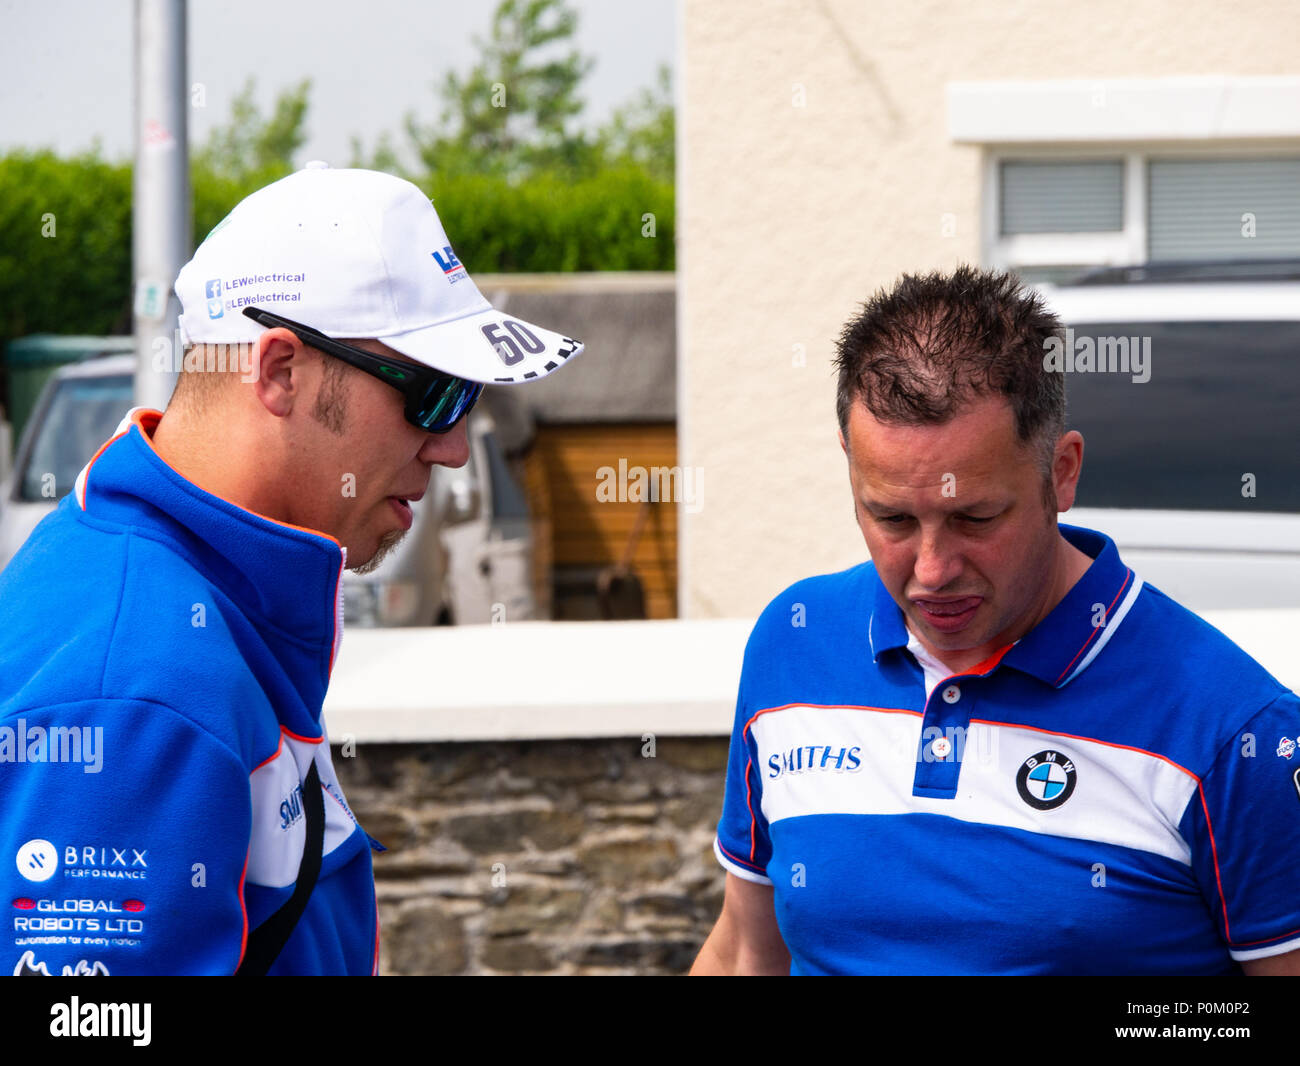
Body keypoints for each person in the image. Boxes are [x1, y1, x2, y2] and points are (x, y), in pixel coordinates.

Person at [0, 163, 582, 976]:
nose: (453, 446)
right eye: (434, 394)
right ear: (279, 372)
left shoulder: (183, 591)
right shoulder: (139, 689)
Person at [691, 265, 1300, 976]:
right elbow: (745, 947)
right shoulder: (792, 643)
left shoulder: (1238, 731)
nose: (930, 569)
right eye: (890, 517)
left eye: (975, 517)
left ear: (1061, 473)